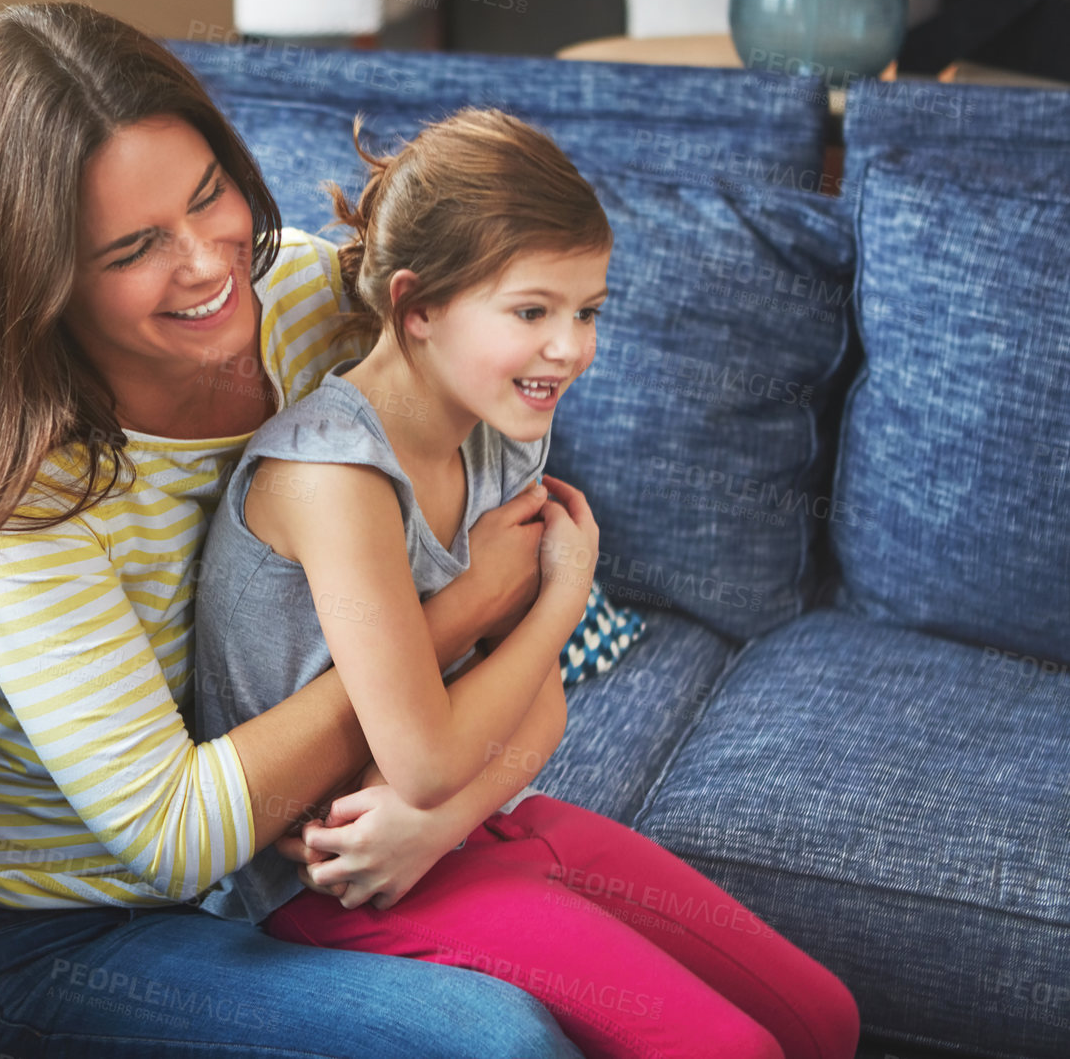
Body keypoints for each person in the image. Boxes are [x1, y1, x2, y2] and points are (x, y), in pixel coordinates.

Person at [0, 1, 585, 1058]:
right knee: (502, 1041)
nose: (209, 264)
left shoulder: (304, 301)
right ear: (39, 280)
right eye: (136, 247)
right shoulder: (18, 504)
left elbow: (502, 531)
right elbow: (175, 834)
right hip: (81, 935)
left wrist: (435, 798)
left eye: (210, 198)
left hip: (309, 853)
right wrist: (463, 605)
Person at [190, 106, 863, 1059]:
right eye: (534, 312)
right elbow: (421, 756)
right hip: (325, 893)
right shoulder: (334, 480)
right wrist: (558, 596)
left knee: (823, 1017)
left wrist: (445, 821)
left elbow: (535, 708)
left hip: (457, 829)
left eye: (588, 310)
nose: (573, 348)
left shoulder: (501, 427)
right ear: (418, 307)